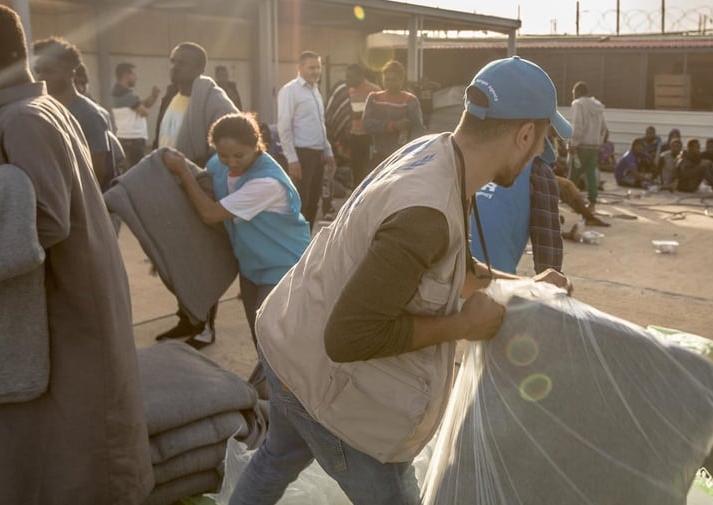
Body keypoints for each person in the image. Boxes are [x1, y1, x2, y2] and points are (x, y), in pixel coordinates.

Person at [228, 55, 573, 505]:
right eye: (542, 141)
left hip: (289, 343)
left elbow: (452, 267)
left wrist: (528, 286)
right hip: (326, 383)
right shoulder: (426, 212)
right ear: (524, 135)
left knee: (274, 460)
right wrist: (463, 326)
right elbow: (349, 337)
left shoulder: (436, 152)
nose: (539, 154)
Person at [0, 6, 153, 504]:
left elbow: (45, 220)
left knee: (79, 442)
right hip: (74, 295)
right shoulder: (39, 107)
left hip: (68, 304)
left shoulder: (23, 119)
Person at [162, 113, 311, 397]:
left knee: (273, 339)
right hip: (252, 265)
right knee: (259, 336)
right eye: (223, 154)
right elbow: (203, 186)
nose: (231, 162)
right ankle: (273, 395)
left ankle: (287, 400)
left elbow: (210, 213)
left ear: (257, 145)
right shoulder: (219, 165)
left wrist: (182, 172)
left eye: (239, 155)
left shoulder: (267, 182)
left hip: (283, 264)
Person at [153, 41, 239, 345]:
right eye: (173, 61)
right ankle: (186, 319)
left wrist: (194, 175)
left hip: (199, 192)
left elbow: (232, 146)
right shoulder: (171, 97)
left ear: (200, 68)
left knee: (202, 261)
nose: (175, 67)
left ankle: (205, 326)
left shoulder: (214, 101)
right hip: (171, 193)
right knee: (180, 262)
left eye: (182, 63)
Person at [471, 136, 567, 275]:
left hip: (450, 274)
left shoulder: (478, 157)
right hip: (495, 280)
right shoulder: (538, 169)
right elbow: (548, 257)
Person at [32, 37, 116, 191]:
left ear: (70, 74)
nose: (41, 77)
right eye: (38, 71)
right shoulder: (46, 112)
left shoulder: (89, 115)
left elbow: (98, 173)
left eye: (49, 71)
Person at [277, 50, 336, 228]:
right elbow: (284, 126)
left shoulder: (315, 91)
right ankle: (295, 241)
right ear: (300, 68)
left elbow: (320, 125)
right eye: (311, 68)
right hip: (302, 155)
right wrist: (292, 159)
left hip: (318, 154)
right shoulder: (290, 91)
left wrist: (328, 152)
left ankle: (307, 239)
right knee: (300, 202)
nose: (316, 71)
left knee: (313, 202)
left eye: (318, 67)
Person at [362, 60, 425, 170]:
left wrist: (414, 155)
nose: (390, 83)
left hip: (402, 156)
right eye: (387, 79)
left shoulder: (410, 100)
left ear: (402, 80)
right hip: (379, 155)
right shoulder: (374, 98)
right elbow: (366, 125)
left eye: (394, 80)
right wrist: (392, 126)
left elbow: (418, 130)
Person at [111, 62, 160, 169]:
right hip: (133, 140)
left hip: (126, 137)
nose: (136, 77)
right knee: (137, 172)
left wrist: (153, 96)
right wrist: (145, 104)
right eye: (134, 74)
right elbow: (144, 112)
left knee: (128, 171)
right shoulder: (124, 94)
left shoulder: (120, 92)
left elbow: (143, 104)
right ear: (126, 75)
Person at [568, 81, 608, 211]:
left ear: (577, 92)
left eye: (573, 93)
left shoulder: (577, 104)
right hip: (594, 146)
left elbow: (577, 125)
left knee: (573, 174)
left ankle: (571, 200)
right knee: (591, 175)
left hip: (581, 146)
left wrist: (573, 144)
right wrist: (598, 142)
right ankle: (592, 203)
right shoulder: (598, 106)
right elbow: (604, 128)